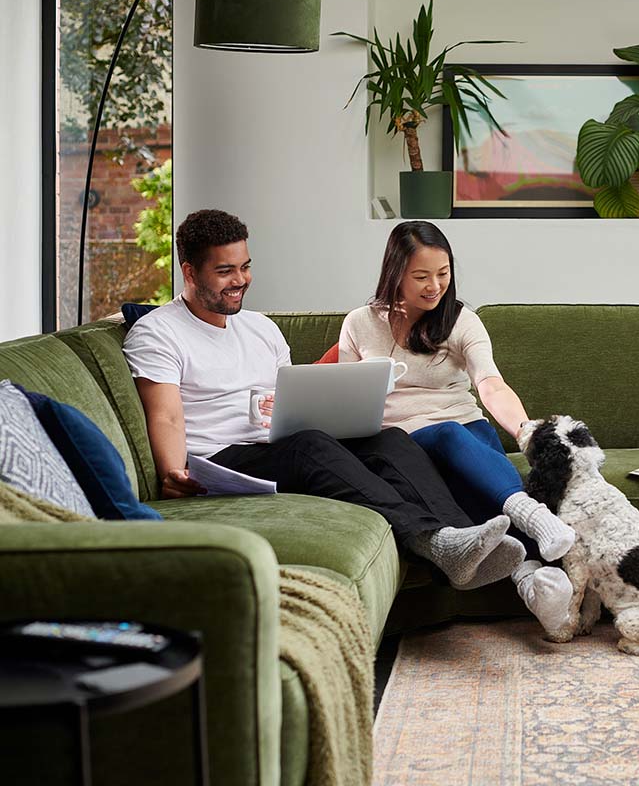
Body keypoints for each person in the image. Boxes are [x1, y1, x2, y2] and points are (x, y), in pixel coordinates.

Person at [123, 209, 524, 589]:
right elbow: (167, 417)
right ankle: (434, 540)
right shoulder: (159, 332)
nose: (240, 280)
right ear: (189, 272)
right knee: (311, 445)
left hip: (273, 445)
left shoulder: (261, 329)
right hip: (220, 460)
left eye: (245, 267)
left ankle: (461, 537)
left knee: (388, 439)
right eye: (224, 271)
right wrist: (173, 471)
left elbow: (288, 398)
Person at [338, 221, 575, 634]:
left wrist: (525, 430)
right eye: (421, 276)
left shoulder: (461, 321)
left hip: (464, 435)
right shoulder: (361, 323)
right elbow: (344, 396)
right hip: (402, 447)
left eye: (443, 273)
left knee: (453, 437)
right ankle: (532, 561)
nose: (435, 286)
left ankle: (533, 554)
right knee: (446, 454)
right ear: (394, 273)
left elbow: (490, 384)